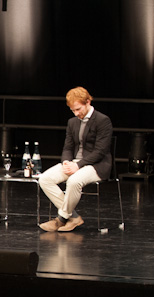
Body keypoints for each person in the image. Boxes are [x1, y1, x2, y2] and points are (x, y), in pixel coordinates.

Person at [38, 87, 113, 233]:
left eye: (78, 109)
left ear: (88, 102)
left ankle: (61, 219)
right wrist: (66, 162)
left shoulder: (102, 120)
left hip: (96, 165)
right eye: (73, 110)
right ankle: (73, 217)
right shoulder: (72, 122)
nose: (76, 113)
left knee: (74, 181)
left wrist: (78, 165)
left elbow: (100, 151)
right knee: (45, 179)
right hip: (75, 162)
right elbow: (68, 147)